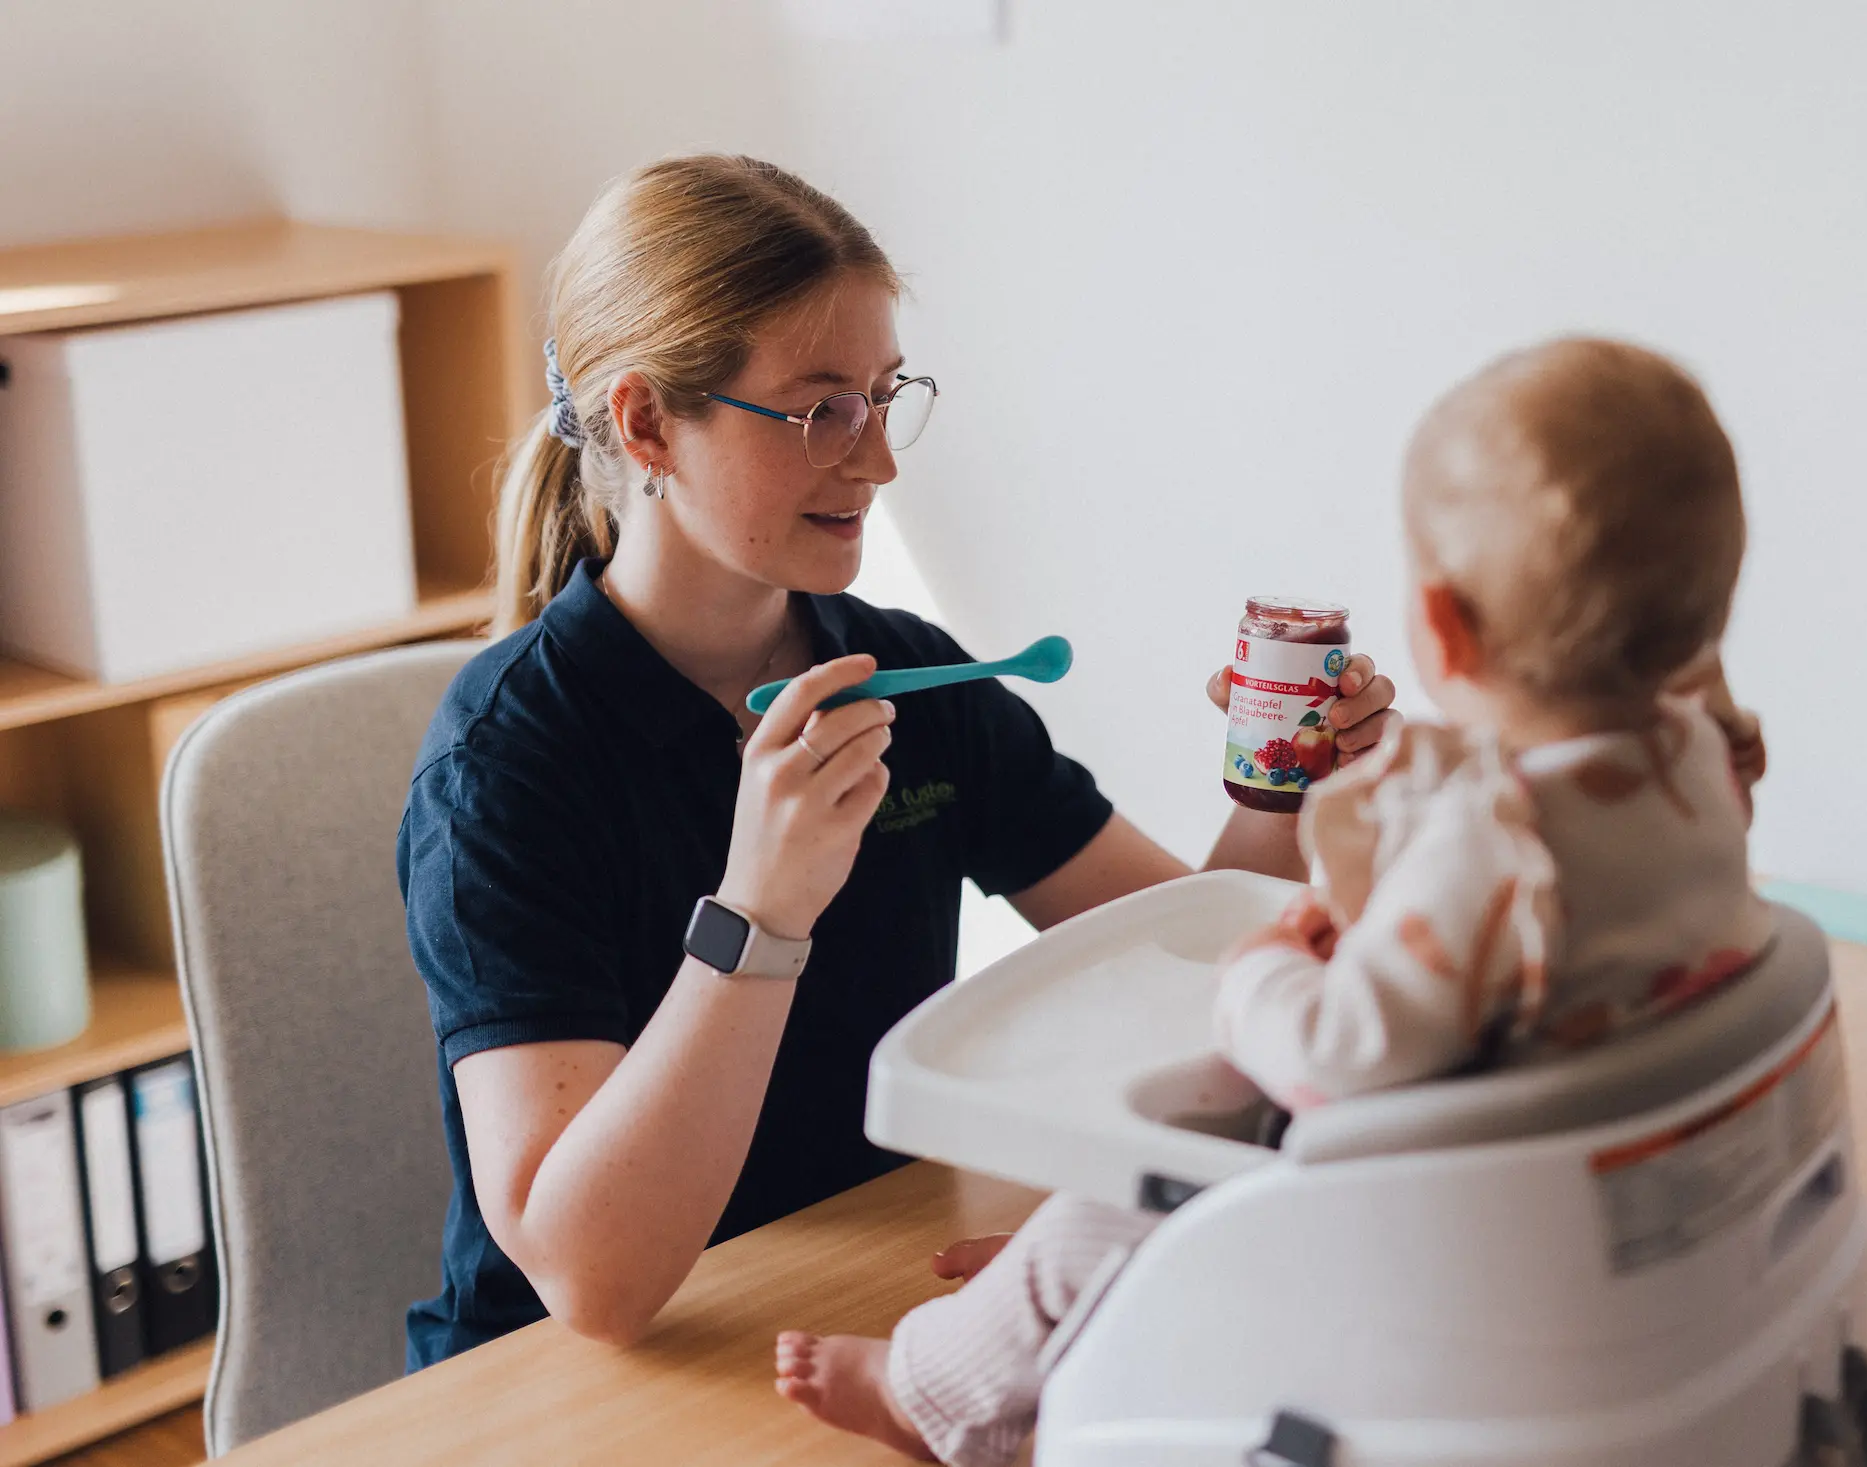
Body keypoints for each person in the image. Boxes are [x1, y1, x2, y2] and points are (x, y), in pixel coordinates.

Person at [395, 153, 1400, 1369]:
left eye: (884, 398)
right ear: (649, 422)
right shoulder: (504, 771)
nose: (877, 463)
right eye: (822, 410)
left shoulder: (907, 678)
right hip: (573, 1375)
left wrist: (1285, 790)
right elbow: (594, 1284)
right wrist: (761, 915)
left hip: (851, 1281)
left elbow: (1196, 979)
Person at [774, 336, 1773, 1466]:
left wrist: (1267, 969)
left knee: (1135, 1186)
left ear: (1442, 630)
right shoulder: (1699, 767)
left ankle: (931, 1390)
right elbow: (1530, 867)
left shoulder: (1486, 847)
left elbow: (1336, 1051)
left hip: (1436, 1227)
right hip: (1589, 1185)